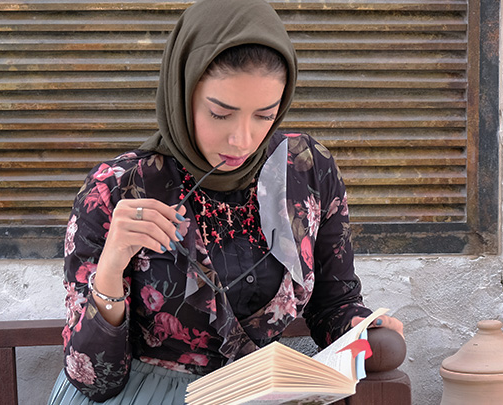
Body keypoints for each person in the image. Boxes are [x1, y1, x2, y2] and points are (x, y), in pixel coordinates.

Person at [48, 0, 403, 403]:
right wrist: (110, 270)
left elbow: (333, 302)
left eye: (265, 115)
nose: (243, 140)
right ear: (183, 92)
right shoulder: (117, 190)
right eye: (221, 114)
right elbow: (94, 380)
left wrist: (362, 327)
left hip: (260, 394)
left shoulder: (306, 169)